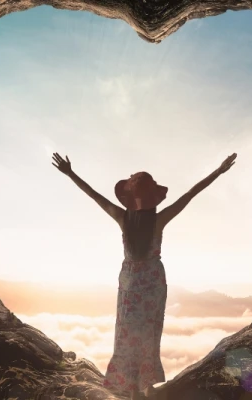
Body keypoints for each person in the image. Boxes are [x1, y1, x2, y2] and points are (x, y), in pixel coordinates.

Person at [52, 152, 237, 399]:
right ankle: (146, 389)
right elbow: (190, 195)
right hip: (153, 282)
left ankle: (129, 390)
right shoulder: (159, 220)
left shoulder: (122, 218)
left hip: (129, 283)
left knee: (126, 335)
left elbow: (94, 196)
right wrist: (218, 171)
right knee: (150, 336)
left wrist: (70, 173)